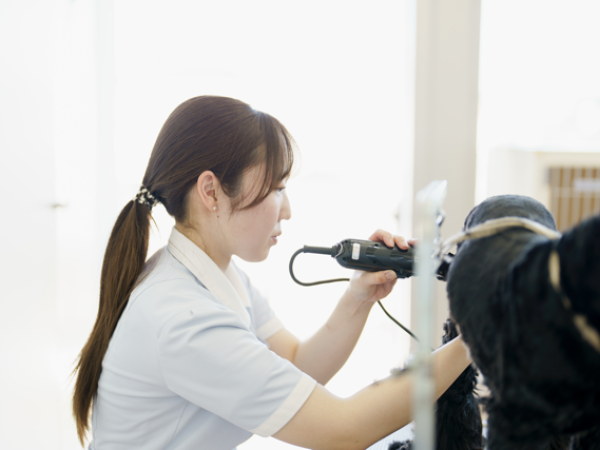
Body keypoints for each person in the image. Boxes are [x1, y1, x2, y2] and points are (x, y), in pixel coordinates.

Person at [72, 96, 471, 450]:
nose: (288, 210)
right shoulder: (184, 319)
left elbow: (298, 364)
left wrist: (358, 297)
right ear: (210, 191)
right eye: (276, 188)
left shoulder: (212, 271)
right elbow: (344, 431)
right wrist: (474, 335)